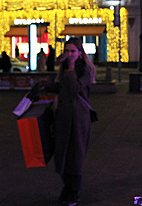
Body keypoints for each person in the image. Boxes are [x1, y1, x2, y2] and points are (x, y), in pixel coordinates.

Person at [54, 38, 96, 205]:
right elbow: (62, 88)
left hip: (78, 117)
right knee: (61, 151)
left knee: (76, 153)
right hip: (63, 115)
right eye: (67, 51)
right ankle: (67, 185)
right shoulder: (64, 67)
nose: (69, 54)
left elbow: (75, 88)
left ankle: (74, 190)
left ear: (80, 53)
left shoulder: (85, 69)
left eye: (72, 51)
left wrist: (71, 67)